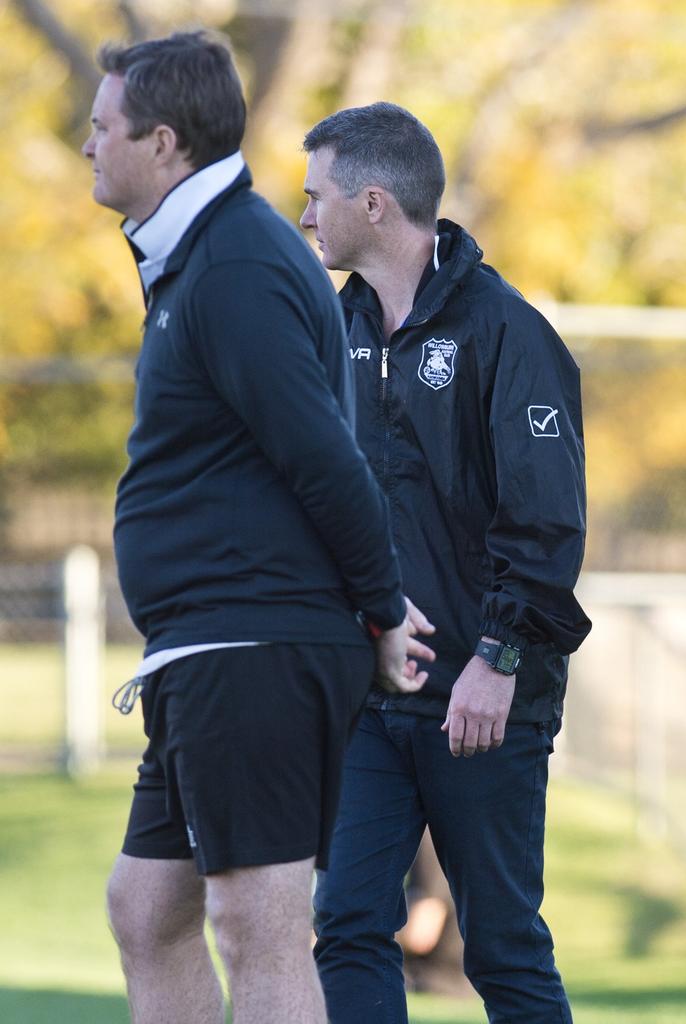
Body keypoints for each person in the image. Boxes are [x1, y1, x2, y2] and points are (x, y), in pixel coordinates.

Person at [82, 35, 433, 1024]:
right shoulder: (200, 253)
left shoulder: (234, 260)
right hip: (209, 643)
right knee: (147, 908)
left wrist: (380, 609)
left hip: (257, 639)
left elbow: (325, 456)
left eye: (102, 128)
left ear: (162, 142)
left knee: (258, 925)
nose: (86, 145)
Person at [300, 102, 592, 1024]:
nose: (304, 216)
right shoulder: (328, 329)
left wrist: (498, 661)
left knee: (501, 947)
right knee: (346, 924)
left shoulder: (507, 332)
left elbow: (546, 522)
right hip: (369, 698)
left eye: (316, 197)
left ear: (374, 203)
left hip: (484, 699)